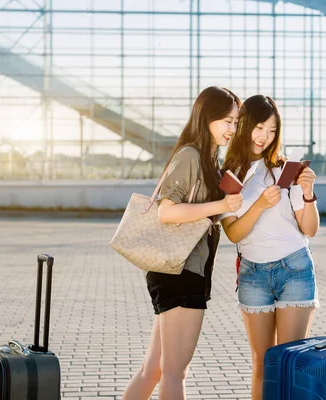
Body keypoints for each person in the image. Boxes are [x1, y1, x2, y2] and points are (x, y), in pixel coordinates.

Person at [123, 86, 243, 400]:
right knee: (176, 372)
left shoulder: (210, 161)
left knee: (156, 369)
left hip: (183, 271)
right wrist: (220, 206)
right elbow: (167, 212)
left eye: (235, 122)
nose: (232, 128)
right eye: (227, 121)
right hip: (180, 271)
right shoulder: (190, 155)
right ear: (207, 118)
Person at [220, 95, 320, 400]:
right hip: (254, 275)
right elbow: (233, 233)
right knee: (262, 364)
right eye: (260, 127)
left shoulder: (283, 169)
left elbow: (310, 229)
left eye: (273, 130)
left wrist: (308, 192)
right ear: (244, 125)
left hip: (295, 269)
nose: (265, 136)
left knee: (290, 365)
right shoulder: (228, 175)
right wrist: (261, 205)